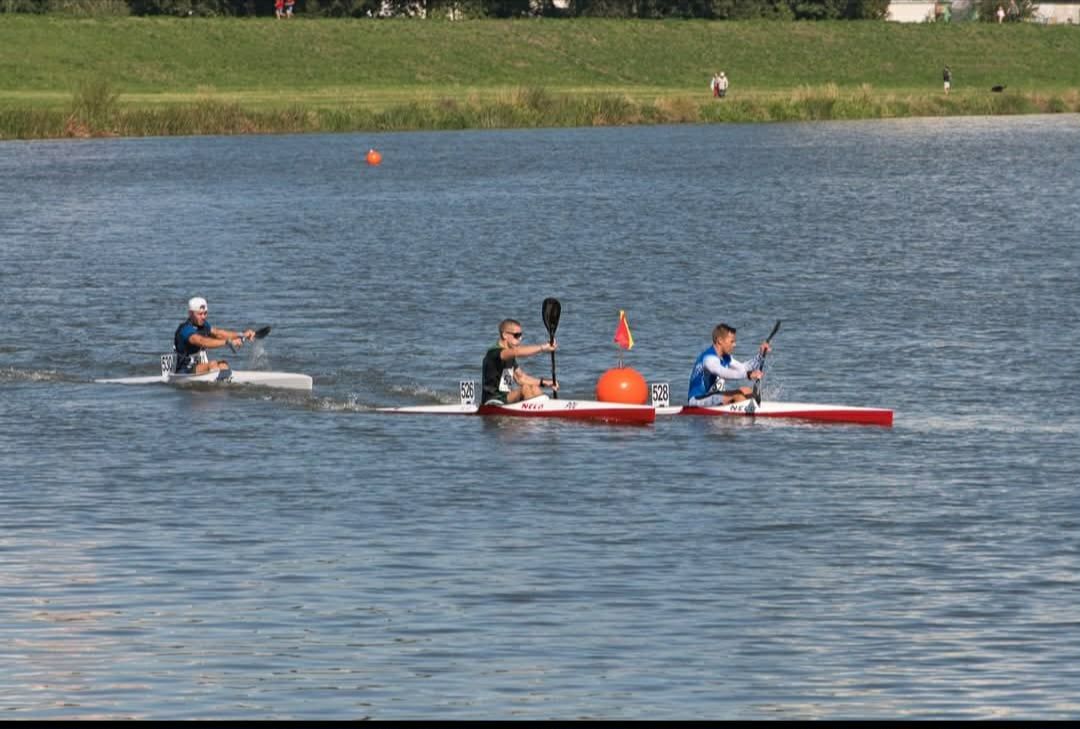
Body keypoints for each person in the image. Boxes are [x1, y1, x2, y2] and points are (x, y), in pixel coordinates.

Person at [687, 323, 771, 406]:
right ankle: (747, 417)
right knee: (738, 395)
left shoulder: (725, 357)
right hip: (697, 400)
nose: (734, 345)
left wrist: (760, 355)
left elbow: (743, 368)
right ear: (720, 341)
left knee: (747, 391)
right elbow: (722, 372)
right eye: (732, 341)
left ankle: (749, 413)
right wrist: (748, 374)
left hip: (711, 396)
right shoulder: (708, 358)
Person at [481, 318, 559, 404]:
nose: (520, 339)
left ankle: (544, 413)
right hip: (492, 400)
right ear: (504, 335)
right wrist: (543, 348)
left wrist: (544, 383)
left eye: (521, 335)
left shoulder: (510, 356)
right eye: (517, 335)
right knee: (525, 389)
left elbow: (521, 378)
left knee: (534, 388)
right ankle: (537, 414)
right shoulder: (494, 353)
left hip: (506, 398)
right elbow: (517, 351)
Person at [173, 297, 255, 375]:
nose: (203, 317)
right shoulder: (185, 330)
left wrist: (241, 334)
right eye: (200, 314)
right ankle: (214, 386)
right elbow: (203, 341)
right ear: (190, 313)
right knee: (213, 364)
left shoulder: (204, 325)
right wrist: (228, 342)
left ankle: (225, 386)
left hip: (199, 366)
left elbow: (219, 333)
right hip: (184, 370)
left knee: (223, 364)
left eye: (205, 313)